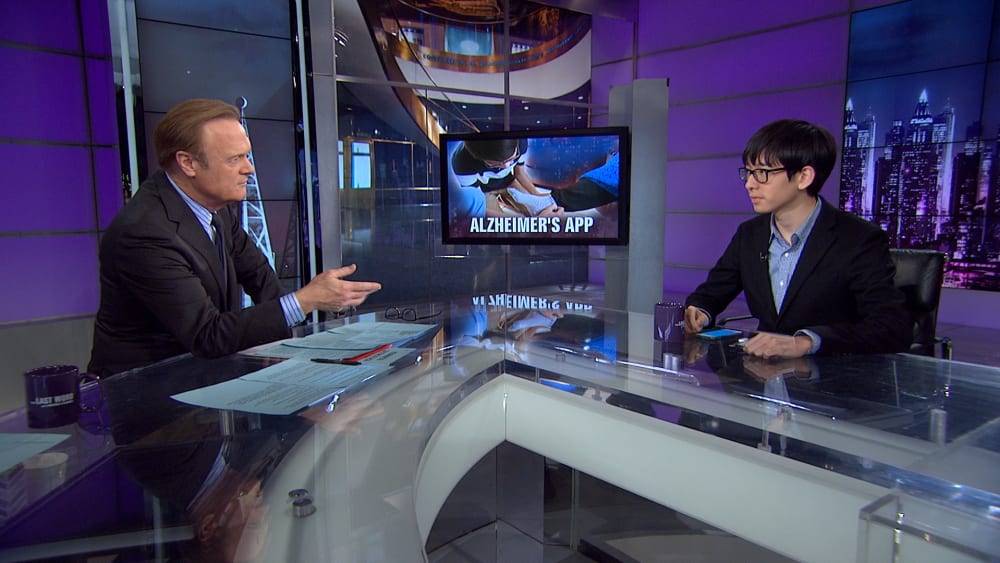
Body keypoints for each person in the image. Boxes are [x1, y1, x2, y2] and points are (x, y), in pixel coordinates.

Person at [89, 98, 381, 377]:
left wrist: (288, 336)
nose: (248, 168)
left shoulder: (215, 206)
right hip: (146, 391)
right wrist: (305, 300)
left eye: (246, 155)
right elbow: (206, 334)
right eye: (234, 159)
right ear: (188, 163)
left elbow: (259, 277)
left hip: (203, 376)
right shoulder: (145, 232)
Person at [683, 118, 911, 359]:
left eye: (762, 173)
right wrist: (700, 311)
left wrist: (806, 342)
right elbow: (711, 293)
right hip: (762, 370)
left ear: (804, 177)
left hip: (832, 375)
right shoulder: (749, 235)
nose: (750, 184)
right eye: (748, 173)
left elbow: (892, 328)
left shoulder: (858, 239)